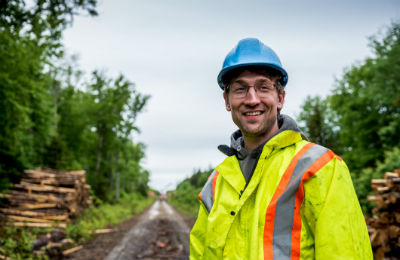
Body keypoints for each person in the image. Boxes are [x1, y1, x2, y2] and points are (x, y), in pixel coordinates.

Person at [189, 38, 372, 260]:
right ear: (227, 100)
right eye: (240, 89)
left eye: (263, 87)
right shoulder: (216, 185)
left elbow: (346, 253)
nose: (252, 99)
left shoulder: (320, 168)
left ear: (280, 97)